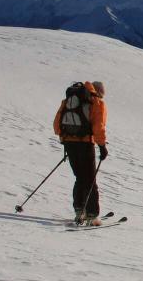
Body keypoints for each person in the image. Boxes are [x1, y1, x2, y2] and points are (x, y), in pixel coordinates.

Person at [53, 81, 108, 226]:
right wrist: (102, 146)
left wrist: (66, 139)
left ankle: (79, 210)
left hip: (69, 143)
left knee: (80, 177)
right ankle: (92, 215)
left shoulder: (70, 100)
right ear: (98, 93)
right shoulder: (96, 103)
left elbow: (56, 125)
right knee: (90, 180)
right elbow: (98, 127)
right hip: (85, 144)